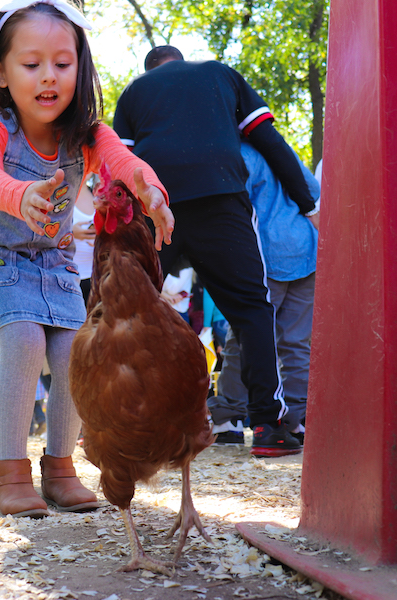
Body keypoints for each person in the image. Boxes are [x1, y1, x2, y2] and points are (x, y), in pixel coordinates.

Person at [0, 0, 174, 518]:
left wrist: (153, 193)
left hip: (50, 261)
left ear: (81, 64)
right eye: (31, 65)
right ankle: (10, 471)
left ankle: (60, 469)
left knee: (76, 355)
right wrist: (20, 194)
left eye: (63, 63)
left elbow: (126, 163)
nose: (48, 77)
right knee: (25, 340)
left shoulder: (87, 135)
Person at [113, 45, 318, 457]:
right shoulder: (219, 74)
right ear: (182, 61)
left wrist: (123, 228)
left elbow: (121, 161)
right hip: (218, 196)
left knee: (127, 312)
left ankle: (120, 426)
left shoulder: (135, 92)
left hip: (157, 206)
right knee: (252, 310)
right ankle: (267, 426)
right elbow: (270, 141)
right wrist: (307, 203)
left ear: (150, 69)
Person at [209, 140, 320, 445]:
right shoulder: (281, 148)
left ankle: (229, 415)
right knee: (296, 342)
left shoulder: (237, 154)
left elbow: (232, 209)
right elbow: (316, 192)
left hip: (267, 254)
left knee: (246, 334)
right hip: (307, 250)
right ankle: (297, 418)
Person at [71, 176, 96, 305]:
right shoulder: (59, 195)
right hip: (70, 278)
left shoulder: (96, 194)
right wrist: (71, 233)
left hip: (96, 277)